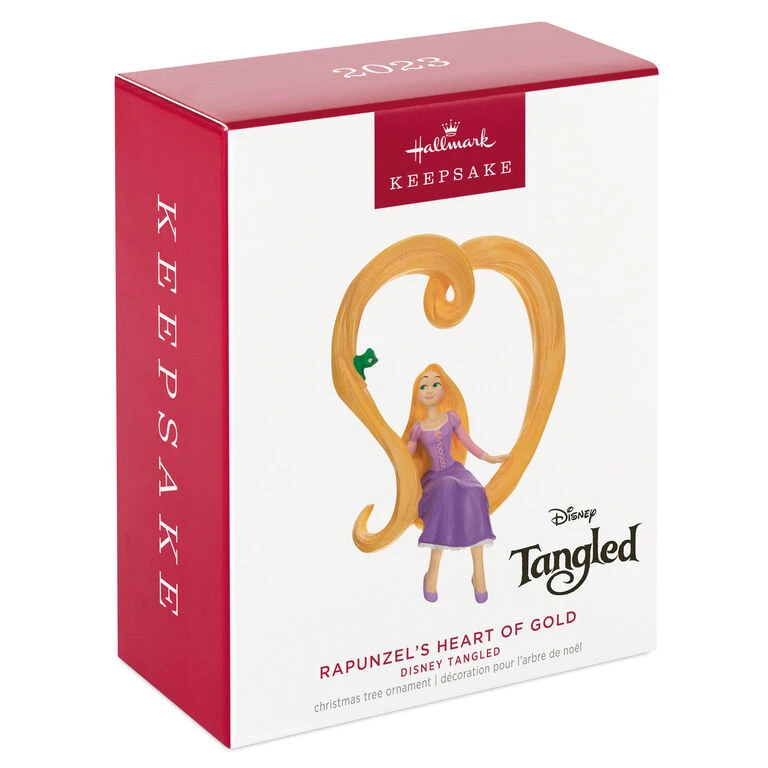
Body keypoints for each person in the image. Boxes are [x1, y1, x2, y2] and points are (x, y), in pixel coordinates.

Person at [404, 364, 510, 603]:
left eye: (435, 383)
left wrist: (490, 458)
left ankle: (479, 573)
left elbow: (468, 443)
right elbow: (405, 457)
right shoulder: (417, 429)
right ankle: (432, 573)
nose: (429, 389)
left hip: (456, 471)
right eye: (423, 385)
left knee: (475, 491)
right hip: (435, 478)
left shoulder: (451, 418)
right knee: (447, 488)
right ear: (417, 394)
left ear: (444, 390)